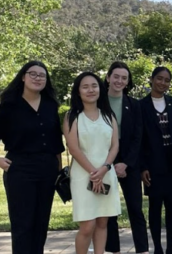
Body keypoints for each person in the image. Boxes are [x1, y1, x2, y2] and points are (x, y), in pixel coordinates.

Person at [0, 61, 64, 254]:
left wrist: (59, 171)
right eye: (33, 74)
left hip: (47, 169)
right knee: (22, 224)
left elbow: (55, 141)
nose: (37, 78)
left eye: (42, 75)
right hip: (20, 169)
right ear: (23, 77)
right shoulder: (9, 105)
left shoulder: (51, 105)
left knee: (41, 222)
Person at [63, 72, 121, 254]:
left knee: (103, 222)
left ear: (100, 89)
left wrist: (104, 169)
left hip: (106, 173)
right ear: (78, 91)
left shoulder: (108, 115)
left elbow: (114, 146)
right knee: (88, 225)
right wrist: (94, 173)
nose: (90, 90)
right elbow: (74, 149)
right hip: (83, 175)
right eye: (85, 86)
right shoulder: (72, 116)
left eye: (94, 86)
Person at [140, 66, 172, 254]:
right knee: (154, 207)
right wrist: (142, 166)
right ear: (152, 79)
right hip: (153, 165)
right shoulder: (141, 106)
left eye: (167, 80)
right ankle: (158, 248)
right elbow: (139, 138)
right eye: (159, 78)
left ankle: (170, 247)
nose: (163, 83)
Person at [103, 61, 149, 254]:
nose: (119, 81)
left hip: (129, 161)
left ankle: (143, 250)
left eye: (124, 78)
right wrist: (111, 163)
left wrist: (126, 163)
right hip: (104, 161)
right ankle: (113, 250)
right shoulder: (98, 102)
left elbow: (139, 136)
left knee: (135, 209)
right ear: (108, 78)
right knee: (109, 210)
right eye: (116, 76)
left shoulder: (134, 104)